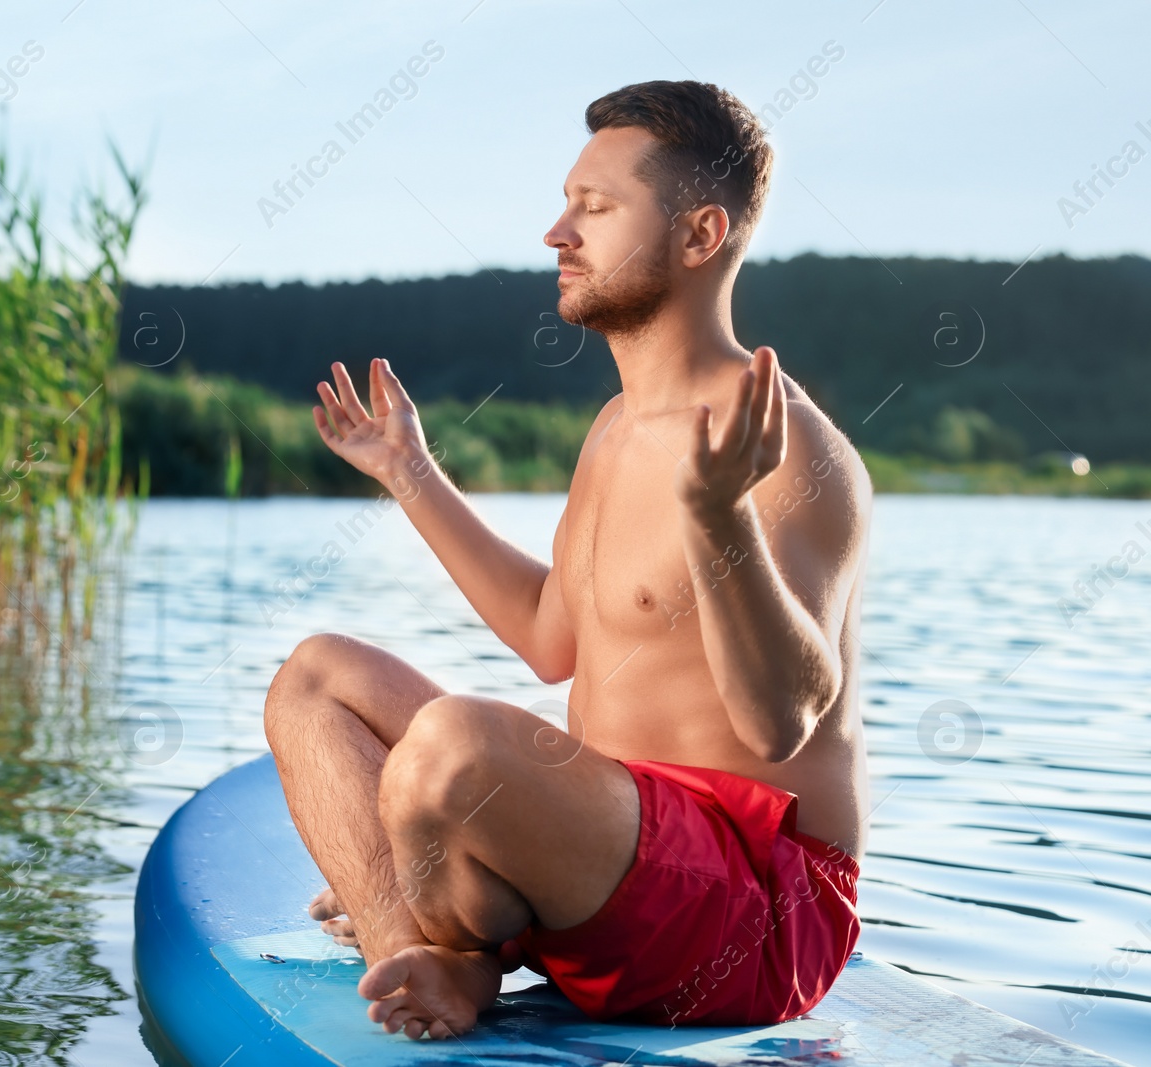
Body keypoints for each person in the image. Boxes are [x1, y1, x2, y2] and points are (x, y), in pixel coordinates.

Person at [262, 79, 871, 1042]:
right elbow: (553, 637)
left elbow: (781, 722)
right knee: (314, 680)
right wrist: (411, 471)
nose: (558, 232)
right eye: (566, 203)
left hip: (754, 916)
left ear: (699, 235)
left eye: (596, 207)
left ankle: (458, 931)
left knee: (454, 747)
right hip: (607, 863)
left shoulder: (785, 445)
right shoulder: (615, 429)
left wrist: (717, 518)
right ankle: (420, 958)